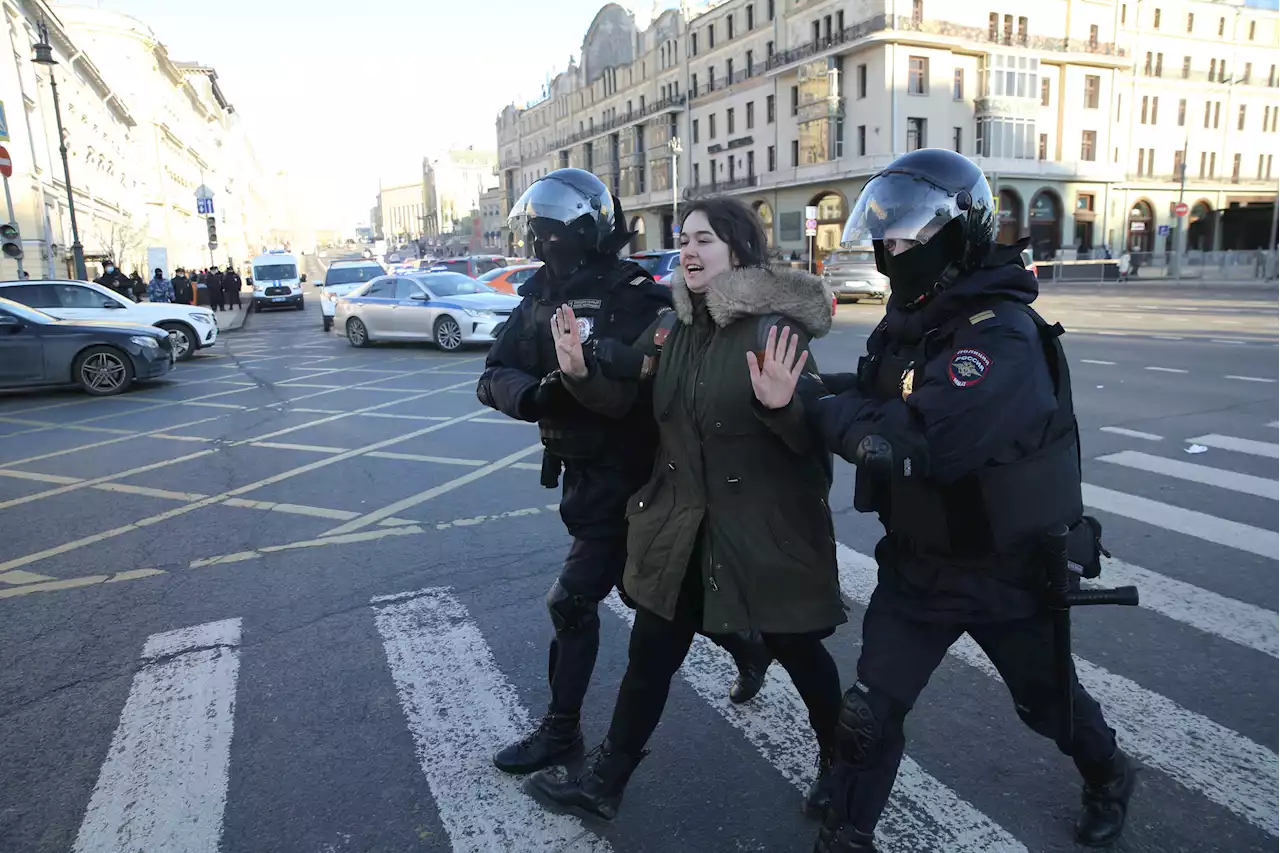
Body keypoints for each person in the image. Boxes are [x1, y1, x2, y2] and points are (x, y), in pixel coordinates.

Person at [786, 149, 1133, 852]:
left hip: (1006, 571)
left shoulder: (998, 336)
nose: (891, 248)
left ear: (957, 234)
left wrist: (817, 412)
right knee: (869, 714)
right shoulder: (917, 318)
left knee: (1048, 706)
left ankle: (1109, 771)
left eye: (909, 236)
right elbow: (880, 389)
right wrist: (810, 386)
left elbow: (914, 441)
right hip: (920, 565)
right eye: (886, 235)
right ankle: (847, 835)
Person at [523, 197, 847, 823]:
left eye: (704, 240)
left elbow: (813, 439)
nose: (689, 251)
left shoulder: (770, 328)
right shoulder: (675, 327)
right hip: (684, 524)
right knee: (651, 653)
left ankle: (836, 759)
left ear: (739, 252)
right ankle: (607, 780)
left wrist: (785, 408)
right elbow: (628, 403)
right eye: (684, 240)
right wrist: (579, 371)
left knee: (798, 650)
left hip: (758, 531)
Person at [476, 168, 773, 777]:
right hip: (583, 475)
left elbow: (663, 380)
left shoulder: (637, 294)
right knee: (657, 599)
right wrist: (532, 397)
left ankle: (562, 731)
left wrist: (590, 378)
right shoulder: (539, 296)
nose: (541, 240)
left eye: (549, 229)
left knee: (574, 601)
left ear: (580, 230)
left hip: (639, 475)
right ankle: (748, 644)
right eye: (537, 230)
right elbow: (494, 372)